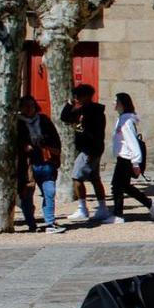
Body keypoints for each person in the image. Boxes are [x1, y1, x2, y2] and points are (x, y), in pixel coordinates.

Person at [61, 84, 112, 222]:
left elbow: (96, 134)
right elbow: (65, 117)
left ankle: (82, 208)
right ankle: (102, 208)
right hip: (85, 149)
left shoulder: (95, 112)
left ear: (87, 96)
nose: (76, 98)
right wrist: (70, 103)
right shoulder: (81, 109)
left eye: (78, 96)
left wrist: (91, 152)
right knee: (95, 179)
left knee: (76, 178)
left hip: (89, 150)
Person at [104, 93, 154, 223]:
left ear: (122, 103)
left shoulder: (126, 121)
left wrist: (135, 162)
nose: (113, 103)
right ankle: (149, 203)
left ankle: (118, 215)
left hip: (126, 158)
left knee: (117, 186)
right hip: (122, 157)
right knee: (124, 186)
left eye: (115, 101)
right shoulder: (122, 119)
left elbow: (132, 142)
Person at [15, 96, 64, 234]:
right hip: (27, 165)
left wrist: (50, 150)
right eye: (25, 106)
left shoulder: (44, 120)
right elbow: (13, 143)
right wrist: (24, 147)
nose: (29, 108)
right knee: (27, 195)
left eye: (31, 105)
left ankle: (49, 223)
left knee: (49, 192)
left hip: (45, 163)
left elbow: (56, 140)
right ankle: (31, 224)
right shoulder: (17, 123)